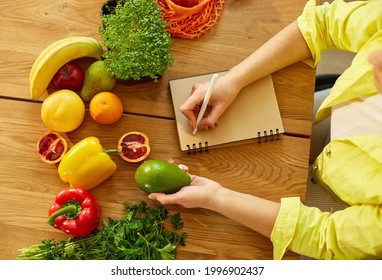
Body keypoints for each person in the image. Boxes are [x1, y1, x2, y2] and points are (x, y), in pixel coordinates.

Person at [148, 0, 382, 260]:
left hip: (337, 203)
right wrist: (232, 80)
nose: (375, 59)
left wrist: (216, 197)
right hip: (330, 121)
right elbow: (321, 24)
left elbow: (325, 237)